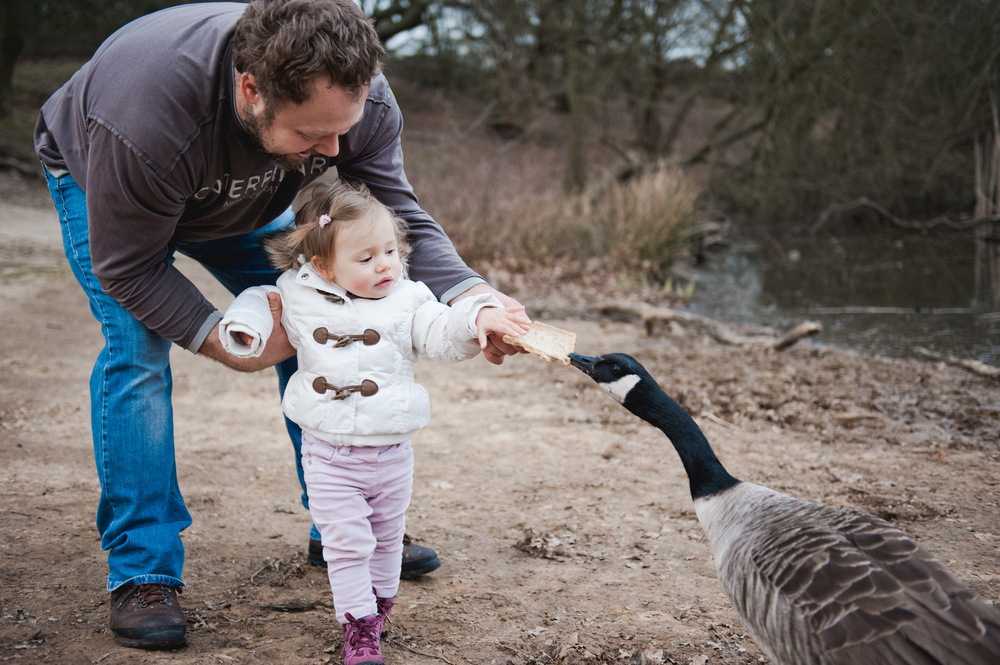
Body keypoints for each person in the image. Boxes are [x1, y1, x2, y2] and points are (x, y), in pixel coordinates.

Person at [32, 0, 527, 650]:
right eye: (314, 135)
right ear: (251, 90)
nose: (335, 151)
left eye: (343, 130)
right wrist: (218, 337)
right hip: (112, 178)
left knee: (319, 309)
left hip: (238, 192)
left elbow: (397, 216)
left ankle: (339, 522)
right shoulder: (145, 122)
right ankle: (143, 570)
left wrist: (476, 299)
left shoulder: (359, 102)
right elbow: (130, 267)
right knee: (137, 350)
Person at [219, 180, 530, 664]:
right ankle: (359, 626)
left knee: (386, 540)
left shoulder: (409, 299)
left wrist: (476, 319)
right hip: (327, 452)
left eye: (390, 250)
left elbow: (440, 328)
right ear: (323, 266)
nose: (385, 264)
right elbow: (259, 299)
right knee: (346, 544)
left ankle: (381, 606)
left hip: (392, 453)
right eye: (366, 258)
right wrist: (246, 327)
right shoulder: (296, 293)